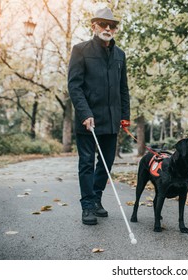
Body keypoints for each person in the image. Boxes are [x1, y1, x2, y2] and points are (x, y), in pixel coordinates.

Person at [68, 7, 130, 225]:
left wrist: (125, 116)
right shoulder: (80, 50)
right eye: (103, 24)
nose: (107, 28)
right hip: (88, 121)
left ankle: (96, 199)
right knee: (86, 162)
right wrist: (85, 113)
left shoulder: (120, 55)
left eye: (111, 25)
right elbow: (74, 86)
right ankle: (87, 206)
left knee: (106, 163)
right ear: (94, 26)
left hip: (112, 120)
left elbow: (123, 89)